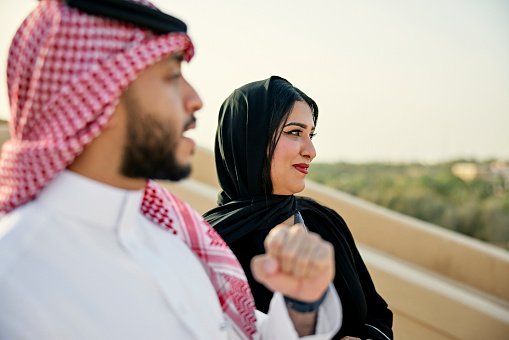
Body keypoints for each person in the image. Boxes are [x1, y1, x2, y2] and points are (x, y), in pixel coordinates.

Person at [0, 1, 343, 339]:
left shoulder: (176, 237)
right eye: (171, 76)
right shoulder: (14, 279)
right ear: (96, 93)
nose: (195, 99)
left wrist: (301, 306)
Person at [203, 76, 394, 340]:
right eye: (295, 132)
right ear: (251, 139)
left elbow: (377, 313)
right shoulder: (210, 247)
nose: (311, 150)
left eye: (311, 134)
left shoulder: (323, 221)